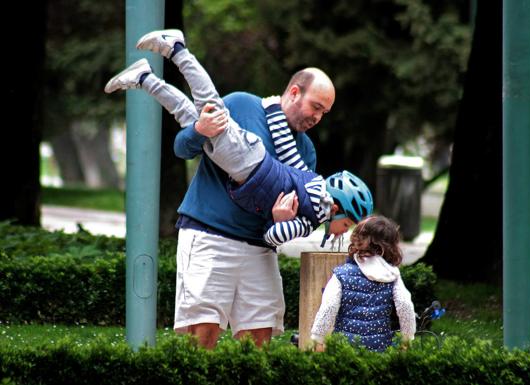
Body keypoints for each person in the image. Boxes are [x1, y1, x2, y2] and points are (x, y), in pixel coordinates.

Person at [104, 29, 362, 349]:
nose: (318, 117)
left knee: (260, 338)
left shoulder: (306, 151)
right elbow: (182, 148)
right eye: (316, 106)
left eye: (325, 112)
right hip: (210, 235)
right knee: (202, 336)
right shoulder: (242, 104)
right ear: (295, 92)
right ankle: (172, 54)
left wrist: (280, 221)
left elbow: (286, 212)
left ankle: (146, 77)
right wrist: (199, 130)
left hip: (259, 250)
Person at [310, 215, 416, 352]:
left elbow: (329, 307)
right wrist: (407, 338)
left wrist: (318, 338)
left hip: (345, 348)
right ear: (390, 246)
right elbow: (405, 306)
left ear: (356, 241)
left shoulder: (342, 274)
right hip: (380, 348)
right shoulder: (392, 276)